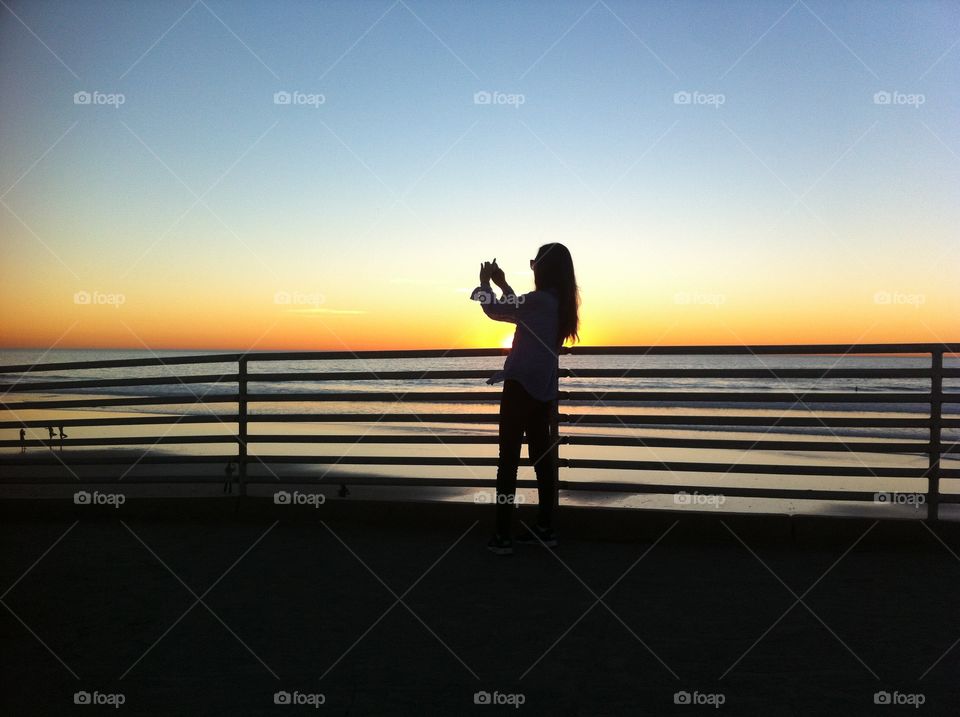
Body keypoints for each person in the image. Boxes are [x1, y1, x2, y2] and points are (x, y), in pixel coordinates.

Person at [471, 244, 580, 555]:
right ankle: (545, 527)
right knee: (541, 459)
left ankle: (502, 535)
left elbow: (496, 310)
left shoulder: (538, 301)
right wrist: (504, 284)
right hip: (543, 389)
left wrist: (485, 283)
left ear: (544, 268)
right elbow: (517, 311)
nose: (533, 268)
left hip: (519, 387)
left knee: (508, 462)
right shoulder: (560, 304)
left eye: (534, 263)